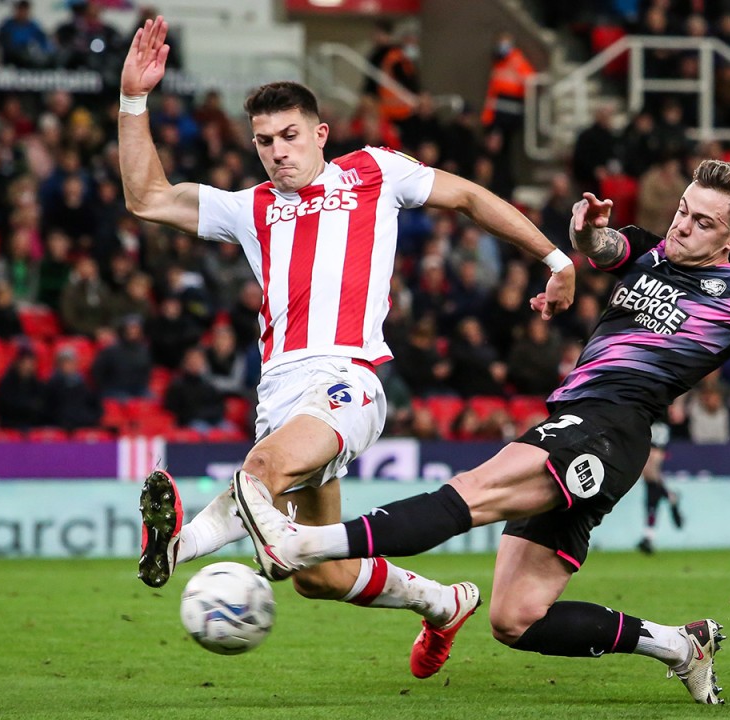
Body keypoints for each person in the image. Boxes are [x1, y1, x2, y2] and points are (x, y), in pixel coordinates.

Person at [231, 159, 730, 705]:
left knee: (473, 493)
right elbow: (602, 245)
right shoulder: (648, 250)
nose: (682, 225)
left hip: (609, 429)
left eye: (702, 222)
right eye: (682, 211)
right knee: (515, 619)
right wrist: (581, 228)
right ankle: (679, 645)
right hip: (577, 426)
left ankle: (303, 543)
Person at [120, 16, 574, 680]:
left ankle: (180, 548)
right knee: (320, 576)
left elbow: (471, 197)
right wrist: (134, 99)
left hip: (347, 380)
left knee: (263, 471)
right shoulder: (248, 208)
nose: (277, 152)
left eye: (289, 137)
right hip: (279, 393)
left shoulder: (373, 173)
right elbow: (147, 197)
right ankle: (444, 603)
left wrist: (555, 258)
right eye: (264, 142)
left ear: (320, 134)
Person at [635, 417, 683, 556]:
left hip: (654, 431)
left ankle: (648, 536)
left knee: (651, 486)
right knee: (651, 487)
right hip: (650, 427)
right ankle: (670, 496)